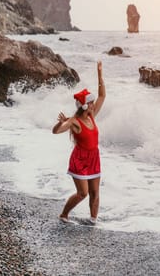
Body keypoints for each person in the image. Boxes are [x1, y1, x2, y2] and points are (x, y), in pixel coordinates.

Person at [52, 61, 105, 225]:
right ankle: (64, 214)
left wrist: (100, 74)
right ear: (83, 105)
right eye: (90, 102)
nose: (93, 104)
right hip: (80, 159)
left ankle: (93, 221)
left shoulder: (91, 116)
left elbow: (102, 96)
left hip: (94, 157)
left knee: (95, 192)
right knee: (83, 193)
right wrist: (60, 123)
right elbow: (56, 131)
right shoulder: (74, 121)